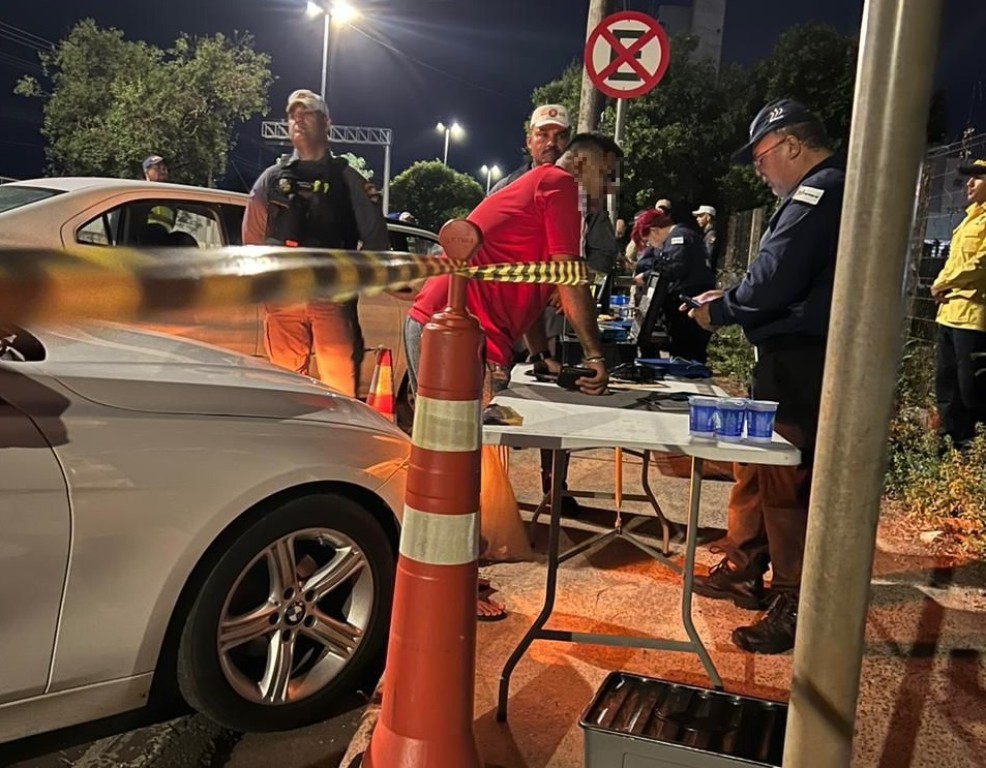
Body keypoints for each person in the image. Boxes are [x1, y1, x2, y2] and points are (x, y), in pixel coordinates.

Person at [405, 132, 622, 619]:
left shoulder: (543, 189)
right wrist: (595, 355)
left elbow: (533, 281)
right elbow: (569, 277)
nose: (609, 189)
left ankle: (454, 574)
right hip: (454, 331)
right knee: (453, 464)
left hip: (454, 329)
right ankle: (449, 586)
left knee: (460, 460)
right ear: (582, 164)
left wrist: (540, 354)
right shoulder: (560, 186)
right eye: (606, 175)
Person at [683, 98, 845, 654]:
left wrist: (720, 310)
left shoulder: (819, 192)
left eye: (760, 157)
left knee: (784, 475)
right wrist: (730, 298)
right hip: (784, 353)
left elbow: (774, 279)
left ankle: (795, 600)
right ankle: (745, 564)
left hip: (802, 357)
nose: (759, 170)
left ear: (791, 145)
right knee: (755, 460)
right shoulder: (820, 190)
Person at [242, 89, 389, 397]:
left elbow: (376, 241)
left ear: (326, 123)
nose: (298, 119)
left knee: (338, 391)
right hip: (284, 298)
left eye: (307, 113)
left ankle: (337, 428)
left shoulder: (350, 180)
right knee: (284, 390)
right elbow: (252, 238)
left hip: (331, 298)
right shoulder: (272, 179)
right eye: (292, 114)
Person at [931, 158, 986, 449]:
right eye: (969, 178)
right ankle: (952, 444)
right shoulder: (969, 219)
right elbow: (954, 261)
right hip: (949, 314)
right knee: (947, 385)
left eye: (978, 177)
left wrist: (945, 283)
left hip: (974, 316)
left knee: (972, 388)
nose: (969, 183)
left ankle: (975, 448)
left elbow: (981, 263)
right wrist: (941, 283)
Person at [632, 208, 715, 362]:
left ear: (654, 231)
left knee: (687, 357)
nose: (651, 245)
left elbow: (673, 267)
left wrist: (645, 276)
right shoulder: (676, 238)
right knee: (681, 355)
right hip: (684, 305)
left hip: (689, 307)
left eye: (648, 240)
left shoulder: (679, 238)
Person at [489, 103, 572, 194]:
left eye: (561, 136)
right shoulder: (504, 189)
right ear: (529, 142)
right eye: (543, 135)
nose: (551, 143)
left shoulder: (580, 188)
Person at [693, 204, 720, 271]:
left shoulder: (711, 234)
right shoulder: (706, 234)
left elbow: (708, 256)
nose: (697, 219)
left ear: (708, 217)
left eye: (700, 216)